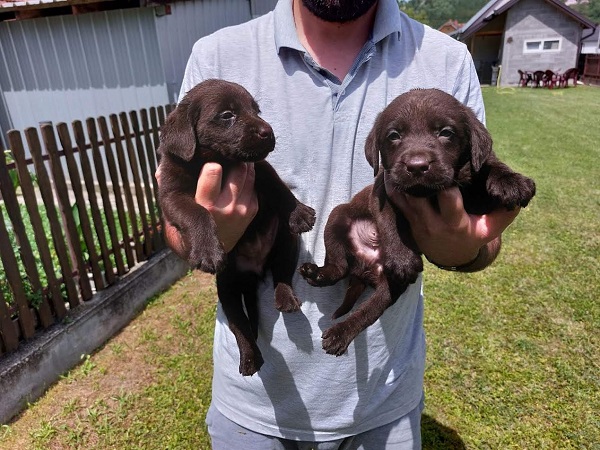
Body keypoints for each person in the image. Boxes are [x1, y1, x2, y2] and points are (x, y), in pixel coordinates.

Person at [157, 0, 520, 448]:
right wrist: (210, 235)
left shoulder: (446, 60)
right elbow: (178, 215)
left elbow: (482, 219)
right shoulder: (216, 56)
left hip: (383, 401)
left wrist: (463, 248)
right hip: (255, 409)